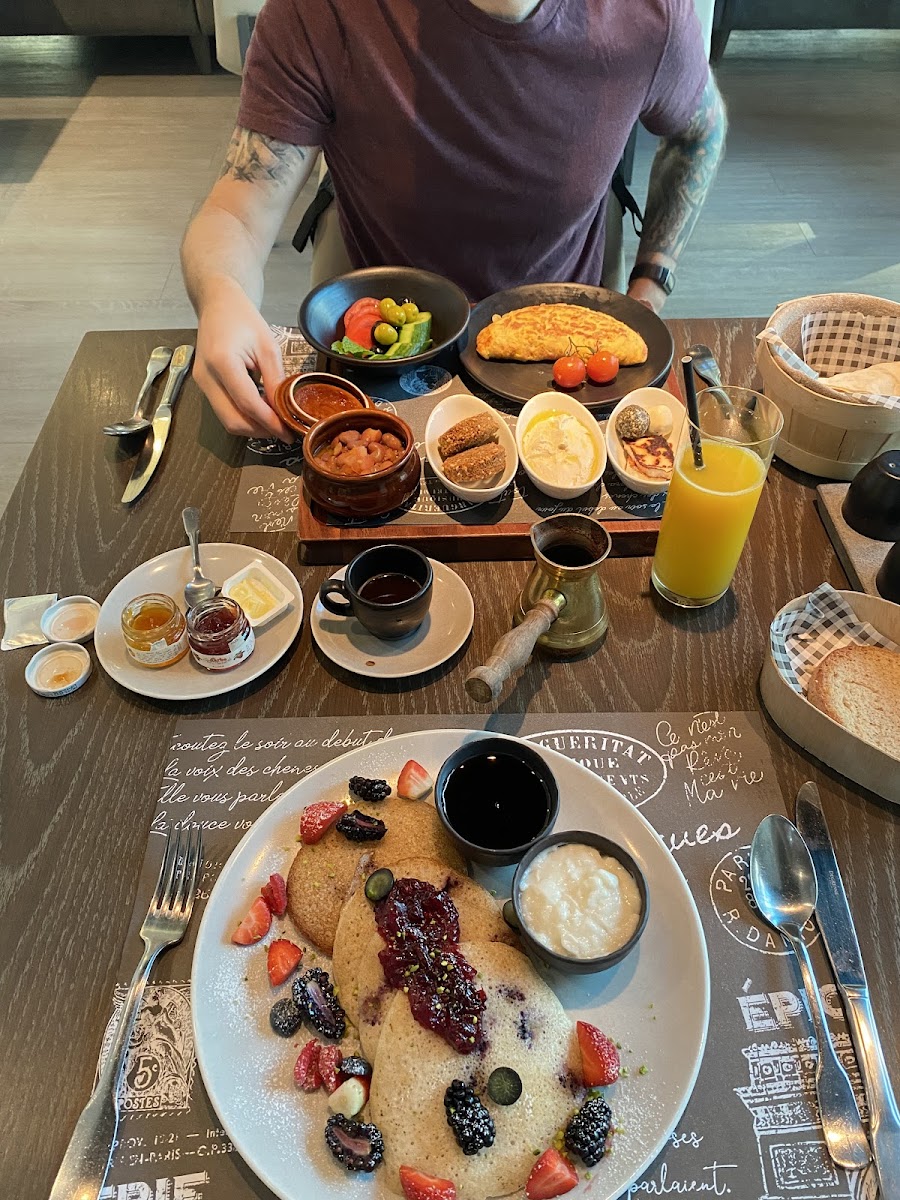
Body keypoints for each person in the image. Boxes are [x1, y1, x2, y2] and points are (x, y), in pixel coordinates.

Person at [182, 0, 726, 439]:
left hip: (565, 380)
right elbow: (238, 208)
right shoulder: (321, 13)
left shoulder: (651, 16)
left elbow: (701, 131)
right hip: (388, 373)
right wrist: (220, 293)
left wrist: (652, 285)